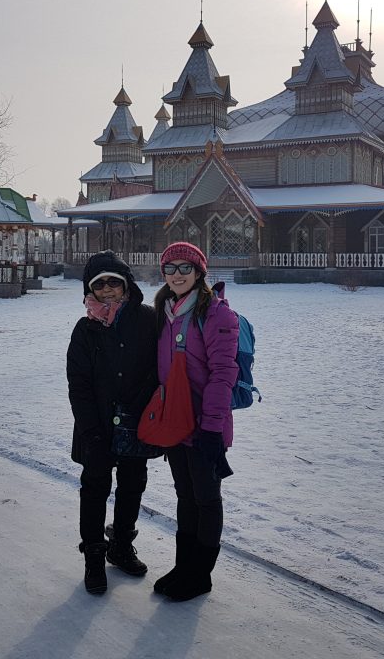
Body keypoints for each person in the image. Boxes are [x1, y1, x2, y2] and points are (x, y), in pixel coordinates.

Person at [66, 250, 159, 595]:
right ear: (90, 290)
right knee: (95, 488)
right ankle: (94, 555)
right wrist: (90, 431)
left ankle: (121, 545)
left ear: (125, 286)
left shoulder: (148, 319)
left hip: (136, 423)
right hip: (97, 426)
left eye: (114, 282)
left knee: (133, 484)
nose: (107, 289)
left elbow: (159, 367)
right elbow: (79, 382)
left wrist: (144, 404)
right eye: (99, 283)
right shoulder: (85, 328)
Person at [153, 242, 238, 602]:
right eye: (170, 268)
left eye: (184, 268)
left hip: (206, 424)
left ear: (200, 272)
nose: (177, 274)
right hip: (175, 422)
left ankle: (200, 574)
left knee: (206, 498)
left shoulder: (216, 314)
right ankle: (183, 565)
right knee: (185, 496)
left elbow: (223, 373)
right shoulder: (164, 310)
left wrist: (212, 428)